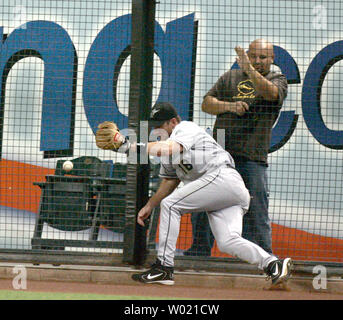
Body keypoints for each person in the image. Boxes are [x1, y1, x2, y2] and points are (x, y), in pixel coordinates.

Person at [95, 101, 292, 286]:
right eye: (154, 125)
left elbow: (170, 148)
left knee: (171, 205)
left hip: (222, 178)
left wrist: (127, 146)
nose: (156, 130)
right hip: (222, 192)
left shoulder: (185, 128)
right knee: (227, 241)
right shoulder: (167, 149)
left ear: (173, 121)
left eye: (159, 125)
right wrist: (149, 205)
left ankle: (164, 267)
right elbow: (170, 181)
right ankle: (272, 264)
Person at [202, 39, 288, 254]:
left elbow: (270, 93)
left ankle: (265, 261)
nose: (258, 61)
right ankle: (198, 255)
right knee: (205, 206)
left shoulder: (277, 79)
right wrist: (230, 106)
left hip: (252, 157)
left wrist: (248, 69)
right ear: (247, 55)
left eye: (262, 57)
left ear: (272, 59)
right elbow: (207, 103)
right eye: (253, 57)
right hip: (221, 156)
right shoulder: (230, 77)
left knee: (256, 210)